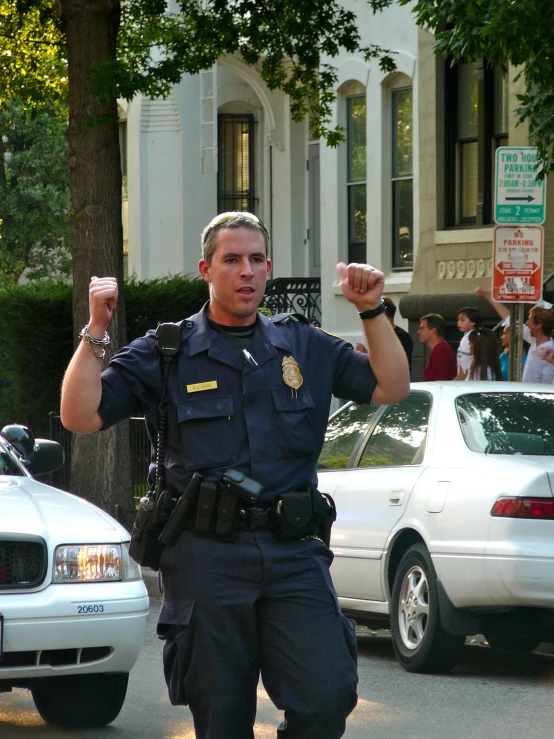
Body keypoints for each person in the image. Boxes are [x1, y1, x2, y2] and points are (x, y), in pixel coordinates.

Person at [60, 212, 410, 739]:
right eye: (231, 260)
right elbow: (79, 415)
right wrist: (97, 329)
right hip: (207, 557)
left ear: (268, 269)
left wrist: (372, 309)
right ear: (207, 268)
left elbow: (392, 386)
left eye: (256, 259)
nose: (246, 270)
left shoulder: (303, 344)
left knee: (326, 697)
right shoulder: (167, 351)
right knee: (222, 717)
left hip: (294, 553)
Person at [475, 286, 554, 384]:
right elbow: (511, 321)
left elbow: (546, 385)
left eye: (530, 320)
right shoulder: (534, 340)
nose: (527, 323)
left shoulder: (550, 351)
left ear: (539, 325)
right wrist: (489, 296)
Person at [354, 296, 413, 373]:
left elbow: (388, 363)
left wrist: (365, 354)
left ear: (382, 313)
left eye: (374, 312)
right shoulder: (382, 335)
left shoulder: (401, 336)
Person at [417, 313, 457, 381]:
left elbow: (438, 383)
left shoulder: (441, 351)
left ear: (433, 330)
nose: (418, 331)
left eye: (421, 328)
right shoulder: (439, 349)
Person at [455, 306, 482, 377]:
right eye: (458, 320)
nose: (459, 323)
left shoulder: (476, 337)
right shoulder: (465, 336)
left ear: (473, 322)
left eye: (462, 320)